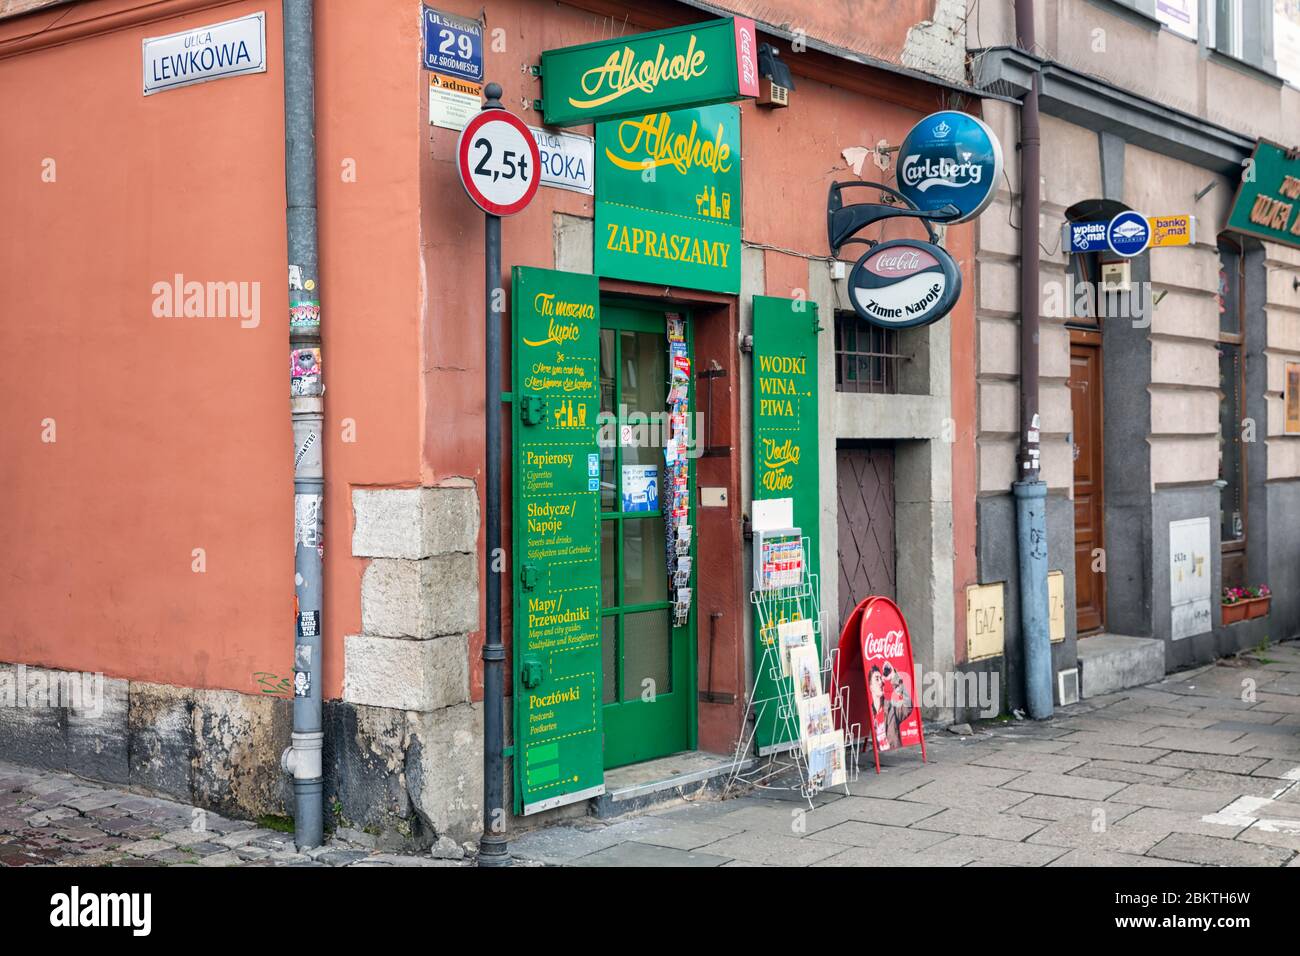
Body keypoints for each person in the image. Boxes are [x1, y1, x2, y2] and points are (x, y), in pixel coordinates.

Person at [867, 662, 912, 751]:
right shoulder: (868, 713)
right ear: (870, 686)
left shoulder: (891, 707)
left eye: (881, 678)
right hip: (877, 759)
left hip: (893, 757)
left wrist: (894, 677)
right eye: (877, 679)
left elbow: (908, 706)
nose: (881, 682)